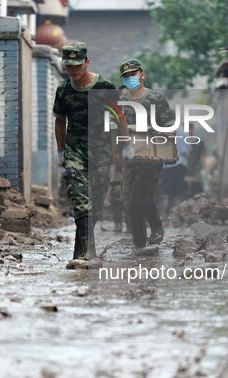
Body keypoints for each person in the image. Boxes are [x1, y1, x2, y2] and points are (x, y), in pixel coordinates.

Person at [53, 41, 118, 268]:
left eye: (77, 65)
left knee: (97, 202)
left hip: (101, 152)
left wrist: (124, 146)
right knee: (82, 203)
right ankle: (88, 253)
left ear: (87, 62)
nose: (73, 70)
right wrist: (61, 151)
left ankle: (81, 249)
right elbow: (60, 121)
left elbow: (119, 118)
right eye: (69, 66)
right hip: (75, 152)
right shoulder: (63, 90)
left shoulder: (105, 87)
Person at [119, 58, 174, 251]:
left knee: (141, 195)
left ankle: (157, 227)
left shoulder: (156, 99)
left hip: (152, 155)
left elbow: (169, 126)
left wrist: (154, 130)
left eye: (133, 74)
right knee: (129, 201)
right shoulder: (122, 102)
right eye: (126, 76)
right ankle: (139, 243)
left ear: (142, 74)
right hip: (129, 155)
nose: (130, 78)